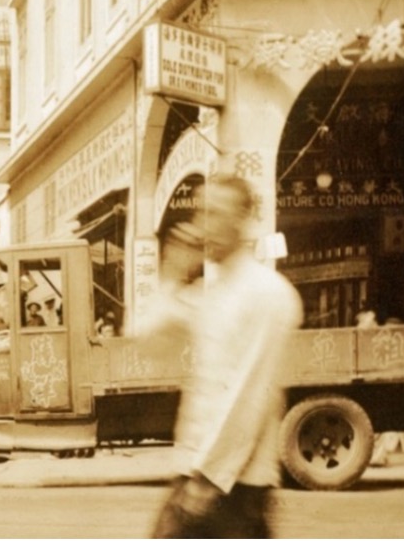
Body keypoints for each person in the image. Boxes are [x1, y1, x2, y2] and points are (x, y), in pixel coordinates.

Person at [151, 175, 302, 539]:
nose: (204, 224)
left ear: (242, 218)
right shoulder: (212, 291)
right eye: (200, 212)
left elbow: (249, 395)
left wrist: (208, 479)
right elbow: (149, 337)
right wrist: (173, 272)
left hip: (234, 483)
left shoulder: (267, 293)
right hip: (199, 470)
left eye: (215, 212)